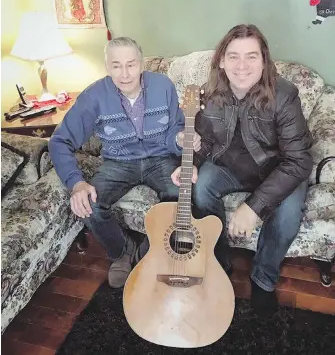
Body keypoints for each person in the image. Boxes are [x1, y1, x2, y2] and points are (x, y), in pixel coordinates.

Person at [171, 24, 313, 313]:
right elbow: (206, 139)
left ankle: (262, 280)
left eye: (251, 56)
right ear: (221, 61)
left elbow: (298, 161)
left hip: (279, 171)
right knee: (200, 187)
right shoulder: (210, 92)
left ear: (264, 61)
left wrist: (252, 207)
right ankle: (219, 261)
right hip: (231, 167)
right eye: (233, 56)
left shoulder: (284, 95)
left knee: (287, 216)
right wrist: (193, 162)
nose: (242, 66)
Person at [49, 37, 201, 289]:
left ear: (142, 64)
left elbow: (175, 128)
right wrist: (76, 183)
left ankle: (149, 251)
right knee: (90, 205)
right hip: (119, 162)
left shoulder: (163, 86)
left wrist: (180, 138)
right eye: (116, 65)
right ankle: (121, 251)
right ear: (107, 67)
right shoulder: (93, 96)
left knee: (181, 198)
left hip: (161, 158)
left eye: (131, 64)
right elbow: (59, 141)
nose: (125, 73)